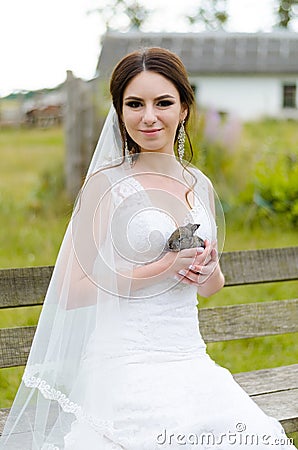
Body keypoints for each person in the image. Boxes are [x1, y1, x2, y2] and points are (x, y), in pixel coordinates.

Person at [0, 48, 295, 450]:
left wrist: (207, 270)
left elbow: (211, 287)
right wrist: (162, 268)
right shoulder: (106, 186)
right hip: (125, 364)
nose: (149, 116)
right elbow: (71, 291)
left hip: (190, 361)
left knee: (254, 438)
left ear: (185, 109)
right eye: (134, 104)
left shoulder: (199, 184)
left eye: (163, 102)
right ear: (120, 113)